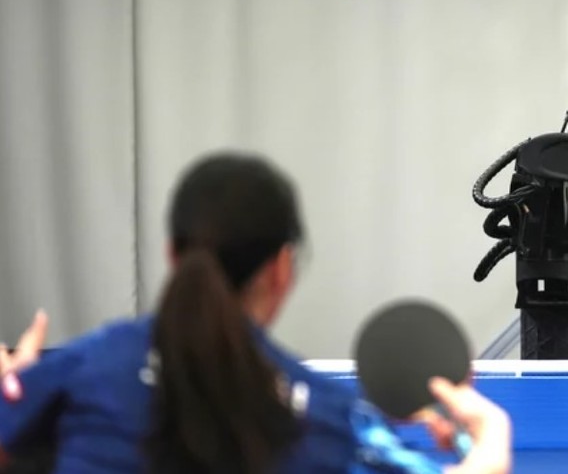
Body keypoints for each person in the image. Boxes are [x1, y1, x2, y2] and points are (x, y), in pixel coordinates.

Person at [0, 153, 511, 474]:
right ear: (281, 270)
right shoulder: (330, 421)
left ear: (173, 254)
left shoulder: (85, 371)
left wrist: (21, 396)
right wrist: (489, 444)